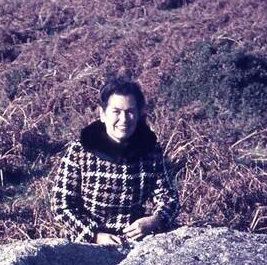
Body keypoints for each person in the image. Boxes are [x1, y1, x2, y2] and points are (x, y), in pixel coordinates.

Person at [51, 78, 179, 245]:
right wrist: (94, 235)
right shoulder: (80, 151)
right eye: (116, 112)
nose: (124, 119)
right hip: (87, 243)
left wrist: (154, 220)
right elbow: (62, 206)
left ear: (139, 114)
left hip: (137, 240)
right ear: (103, 114)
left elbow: (169, 198)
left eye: (130, 111)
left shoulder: (150, 150)